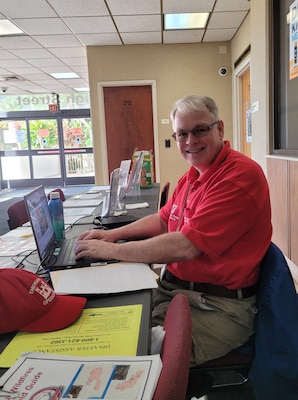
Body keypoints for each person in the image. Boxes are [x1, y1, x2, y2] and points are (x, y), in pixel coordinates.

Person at [75, 94, 272, 367]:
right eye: (182, 134)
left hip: (216, 307)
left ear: (220, 129)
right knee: (99, 316)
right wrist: (112, 235)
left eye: (200, 130)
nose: (190, 141)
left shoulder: (238, 177)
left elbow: (185, 246)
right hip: (176, 291)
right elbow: (164, 219)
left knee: (125, 354)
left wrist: (111, 250)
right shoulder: (193, 175)